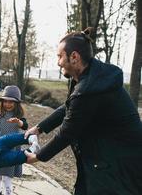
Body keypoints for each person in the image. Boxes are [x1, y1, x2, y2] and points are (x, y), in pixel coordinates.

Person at [25, 27, 142, 195]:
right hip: (108, 159)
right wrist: (40, 127)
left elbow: (67, 133)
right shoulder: (93, 77)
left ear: (74, 57)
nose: (58, 63)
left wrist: (37, 156)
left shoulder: (89, 89)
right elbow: (70, 106)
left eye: (59, 56)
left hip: (119, 166)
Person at [0, 85, 31, 195]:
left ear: (17, 104)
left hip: (11, 149)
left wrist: (18, 122)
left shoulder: (19, 115)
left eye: (11, 102)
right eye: (5, 101)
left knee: (6, 178)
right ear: (2, 102)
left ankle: (8, 193)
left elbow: (25, 126)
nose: (8, 104)